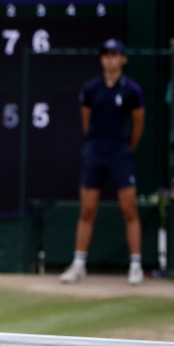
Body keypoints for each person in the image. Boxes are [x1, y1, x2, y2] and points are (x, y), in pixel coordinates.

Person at [61, 39, 146, 286]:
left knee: (129, 209)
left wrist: (124, 147)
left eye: (114, 55)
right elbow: (86, 122)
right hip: (95, 153)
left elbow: (138, 126)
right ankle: (78, 265)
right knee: (87, 210)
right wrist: (96, 145)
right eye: (105, 55)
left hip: (120, 153)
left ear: (123, 59)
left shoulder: (132, 90)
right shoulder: (90, 89)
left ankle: (136, 265)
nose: (109, 59)